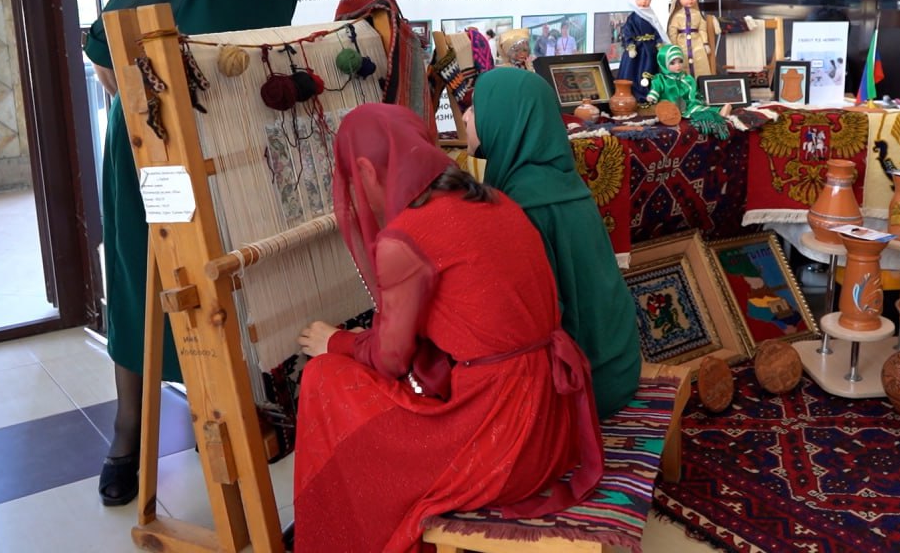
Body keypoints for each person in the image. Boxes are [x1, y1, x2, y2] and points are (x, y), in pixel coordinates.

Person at [81, 0, 341, 506]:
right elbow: (99, 43)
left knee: (221, 284)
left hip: (230, 157)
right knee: (147, 289)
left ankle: (217, 416)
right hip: (154, 163)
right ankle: (126, 439)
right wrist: (140, 100)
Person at [294, 104, 603, 551]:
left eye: (350, 180)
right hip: (554, 426)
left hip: (502, 446)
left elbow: (390, 359)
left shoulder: (406, 237)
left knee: (324, 377)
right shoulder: (496, 199)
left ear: (364, 169)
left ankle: (351, 528)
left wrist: (334, 341)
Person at [464, 67, 641, 418]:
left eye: (475, 107)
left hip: (578, 387)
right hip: (617, 366)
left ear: (505, 119)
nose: (466, 116)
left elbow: (526, 326)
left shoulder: (521, 206)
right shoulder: (562, 181)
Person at [646, 44, 730, 139]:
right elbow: (656, 89)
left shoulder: (687, 78)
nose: (678, 65)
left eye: (680, 61)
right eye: (672, 63)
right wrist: (653, 96)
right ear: (663, 63)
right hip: (670, 105)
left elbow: (693, 92)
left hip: (688, 104)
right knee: (673, 112)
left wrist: (699, 98)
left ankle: (720, 111)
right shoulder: (660, 79)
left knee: (699, 108)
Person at [617, 0, 667, 102]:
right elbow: (627, 32)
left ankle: (649, 95)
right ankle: (634, 95)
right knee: (634, 72)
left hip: (650, 51)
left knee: (650, 71)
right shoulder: (633, 18)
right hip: (637, 52)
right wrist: (631, 46)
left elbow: (657, 31)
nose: (643, 1)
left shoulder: (652, 16)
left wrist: (659, 43)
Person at [666, 0, 719, 76]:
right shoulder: (677, 16)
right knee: (684, 64)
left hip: (697, 44)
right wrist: (674, 45)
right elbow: (672, 31)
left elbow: (702, 29)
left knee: (700, 64)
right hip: (682, 45)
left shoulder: (698, 14)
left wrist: (705, 43)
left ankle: (701, 83)